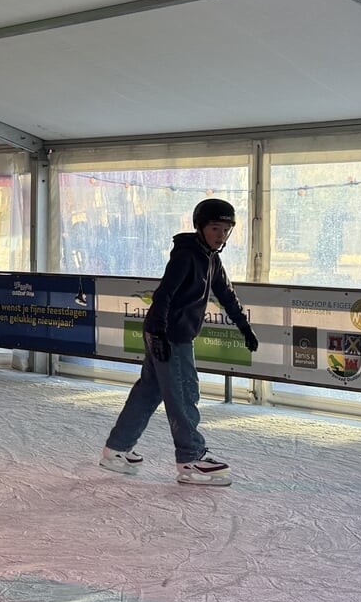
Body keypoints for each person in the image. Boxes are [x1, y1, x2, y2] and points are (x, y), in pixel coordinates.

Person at [98, 198, 256, 486]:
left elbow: (226, 294)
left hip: (169, 333)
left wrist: (244, 326)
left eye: (226, 230)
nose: (220, 235)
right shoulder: (186, 256)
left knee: (148, 392)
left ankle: (116, 449)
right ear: (200, 227)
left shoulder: (211, 258)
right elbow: (164, 295)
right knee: (184, 392)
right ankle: (190, 457)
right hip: (169, 335)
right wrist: (158, 333)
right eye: (215, 228)